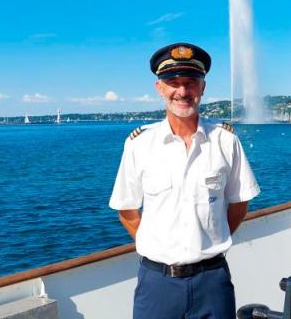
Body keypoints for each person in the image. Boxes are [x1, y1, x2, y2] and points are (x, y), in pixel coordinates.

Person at [109, 42, 261, 319]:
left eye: (191, 82)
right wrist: (162, 248)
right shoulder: (139, 145)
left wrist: (209, 241)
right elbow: (127, 211)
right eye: (173, 82)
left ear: (202, 88)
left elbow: (239, 205)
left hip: (212, 280)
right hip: (157, 283)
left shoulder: (226, 141)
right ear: (160, 88)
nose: (182, 91)